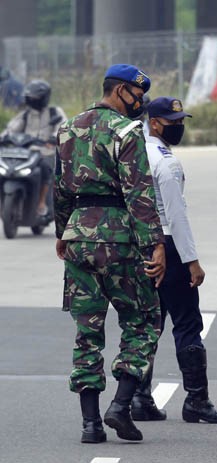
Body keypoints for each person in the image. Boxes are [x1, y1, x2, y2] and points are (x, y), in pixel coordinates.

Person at [55, 63, 164, 444]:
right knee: (144, 320)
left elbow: (61, 189)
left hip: (78, 237)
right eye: (138, 95)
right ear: (120, 91)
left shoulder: (68, 128)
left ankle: (90, 425)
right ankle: (120, 405)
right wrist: (155, 245)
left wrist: (63, 232)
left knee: (87, 331)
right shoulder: (127, 131)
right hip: (119, 239)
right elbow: (140, 194)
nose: (140, 103)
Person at [133, 96, 217, 424]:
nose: (179, 127)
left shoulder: (132, 154)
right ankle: (196, 400)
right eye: (173, 122)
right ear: (154, 123)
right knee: (188, 323)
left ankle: (138, 398)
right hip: (169, 246)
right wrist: (192, 261)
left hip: (140, 245)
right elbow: (176, 217)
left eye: (181, 121)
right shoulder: (167, 162)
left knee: (148, 324)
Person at [2, 79, 67, 216]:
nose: (32, 100)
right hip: (25, 153)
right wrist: (3, 137)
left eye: (35, 97)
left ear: (44, 97)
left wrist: (54, 137)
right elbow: (11, 129)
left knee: (45, 168)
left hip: (46, 151)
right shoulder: (26, 114)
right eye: (30, 97)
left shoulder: (55, 112)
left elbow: (63, 127)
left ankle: (41, 202)